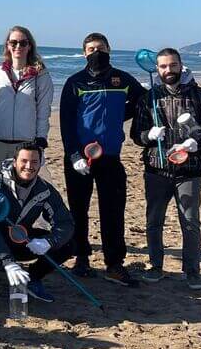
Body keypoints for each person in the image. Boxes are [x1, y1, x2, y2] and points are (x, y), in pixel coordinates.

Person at [130, 48, 201, 289]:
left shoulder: (200, 96)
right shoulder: (149, 99)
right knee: (154, 221)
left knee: (190, 222)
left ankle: (192, 270)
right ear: (157, 69)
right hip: (157, 169)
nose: (168, 71)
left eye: (172, 65)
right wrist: (148, 135)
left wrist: (198, 142)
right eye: (163, 66)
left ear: (181, 66)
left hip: (190, 171)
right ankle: (155, 266)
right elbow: (135, 134)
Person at [58, 32, 145, 286]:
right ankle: (81, 258)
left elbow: (142, 100)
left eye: (101, 47)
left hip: (110, 157)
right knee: (78, 210)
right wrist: (74, 155)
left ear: (109, 49)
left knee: (113, 211)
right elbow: (66, 122)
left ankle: (114, 264)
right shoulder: (75, 82)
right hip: (80, 159)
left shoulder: (122, 79)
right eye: (91, 48)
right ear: (84, 53)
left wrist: (119, 117)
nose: (96, 52)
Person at [0, 142, 75, 303]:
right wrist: (7, 261)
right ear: (14, 162)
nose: (29, 166)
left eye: (34, 162)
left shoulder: (44, 190)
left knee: (69, 243)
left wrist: (49, 242)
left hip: (21, 239)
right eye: (24, 161)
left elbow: (65, 222)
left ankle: (33, 279)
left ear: (40, 163)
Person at [0, 26, 53, 183]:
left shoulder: (41, 76)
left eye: (23, 43)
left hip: (25, 145)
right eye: (14, 42)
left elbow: (43, 113)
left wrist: (41, 143)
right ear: (7, 45)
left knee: (20, 194)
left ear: (29, 46)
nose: (18, 46)